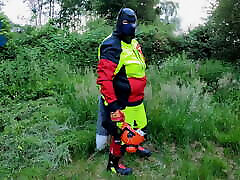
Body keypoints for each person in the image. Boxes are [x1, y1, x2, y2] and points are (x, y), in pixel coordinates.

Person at [96, 8, 151, 175]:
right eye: (126, 22)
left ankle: (136, 145)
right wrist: (113, 107)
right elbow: (104, 80)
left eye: (133, 22)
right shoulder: (111, 45)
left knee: (141, 126)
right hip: (121, 100)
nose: (130, 26)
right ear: (119, 23)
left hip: (137, 99)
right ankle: (113, 165)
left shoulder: (134, 43)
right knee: (119, 134)